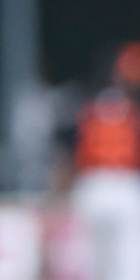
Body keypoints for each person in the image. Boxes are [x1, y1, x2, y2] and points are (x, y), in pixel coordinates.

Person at [69, 41, 140, 280]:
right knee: (127, 261)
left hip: (93, 186)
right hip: (124, 185)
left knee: (95, 263)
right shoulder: (131, 111)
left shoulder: (88, 109)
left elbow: (73, 152)